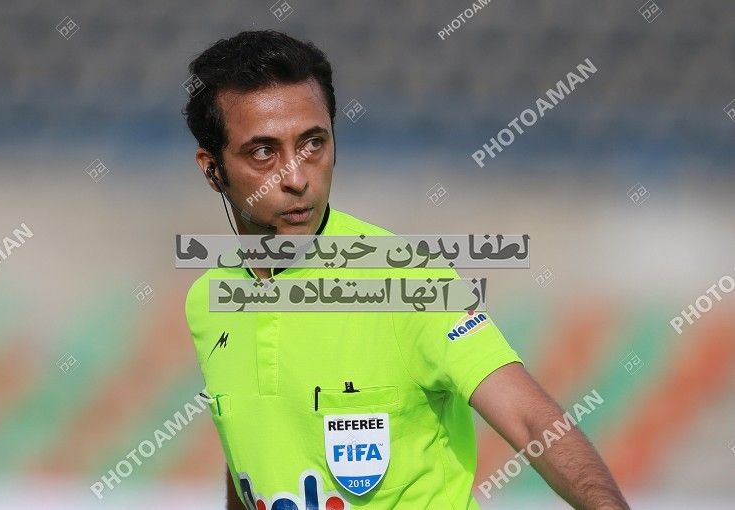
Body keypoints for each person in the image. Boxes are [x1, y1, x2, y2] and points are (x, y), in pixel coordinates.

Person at [183, 30, 630, 510]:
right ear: (212, 169)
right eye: (263, 152)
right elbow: (252, 454)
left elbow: (531, 419)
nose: (296, 177)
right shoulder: (209, 302)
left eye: (313, 143)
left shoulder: (408, 280)